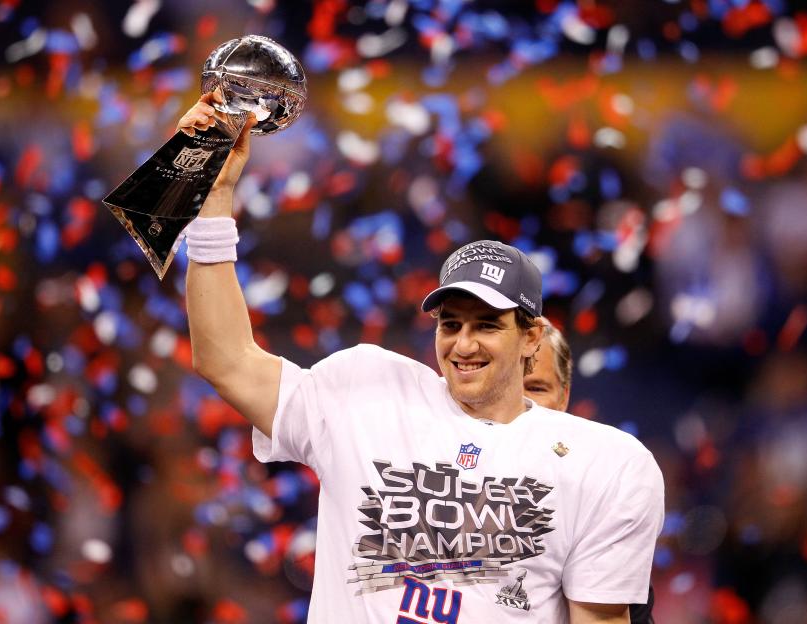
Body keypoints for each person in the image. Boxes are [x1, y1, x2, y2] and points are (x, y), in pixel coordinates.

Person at [180, 94, 664, 623]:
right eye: (451, 324)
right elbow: (226, 360)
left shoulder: (606, 464)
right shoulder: (367, 391)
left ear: (531, 338)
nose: (464, 344)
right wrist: (214, 198)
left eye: (487, 326)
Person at [523, 325, 657, 624]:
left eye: (536, 388)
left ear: (564, 397)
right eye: (507, 386)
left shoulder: (602, 486)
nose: (521, 402)